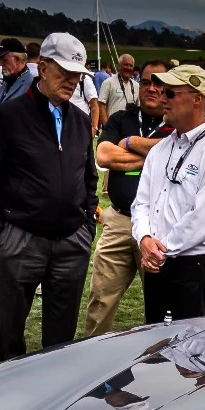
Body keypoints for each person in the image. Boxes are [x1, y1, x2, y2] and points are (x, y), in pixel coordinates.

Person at [0, 31, 97, 362]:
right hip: (21, 238)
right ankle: (8, 385)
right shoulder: (10, 116)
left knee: (62, 336)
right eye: (64, 72)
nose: (72, 81)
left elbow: (88, 176)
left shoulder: (81, 121)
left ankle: (54, 388)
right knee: (9, 328)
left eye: (77, 75)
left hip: (72, 242)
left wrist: (87, 224)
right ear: (43, 68)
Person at [131, 64, 205, 323]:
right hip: (155, 262)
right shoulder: (160, 149)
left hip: (189, 266)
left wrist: (160, 250)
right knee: (154, 338)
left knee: (190, 342)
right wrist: (144, 238)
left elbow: (202, 218)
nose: (162, 99)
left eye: (170, 93)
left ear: (197, 99)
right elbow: (141, 203)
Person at [84, 58, 170, 337]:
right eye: (145, 82)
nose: (152, 88)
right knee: (100, 301)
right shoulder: (122, 119)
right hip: (119, 221)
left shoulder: (177, 126)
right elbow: (104, 155)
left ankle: (161, 358)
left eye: (159, 83)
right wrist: (154, 157)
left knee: (163, 306)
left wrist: (131, 143)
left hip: (159, 229)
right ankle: (93, 355)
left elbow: (176, 153)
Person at [100, 53, 138, 119]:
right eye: (125, 65)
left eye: (131, 66)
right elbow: (101, 105)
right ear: (119, 66)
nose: (128, 68)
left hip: (131, 124)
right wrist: (107, 124)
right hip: (113, 124)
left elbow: (139, 106)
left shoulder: (136, 85)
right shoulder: (108, 83)